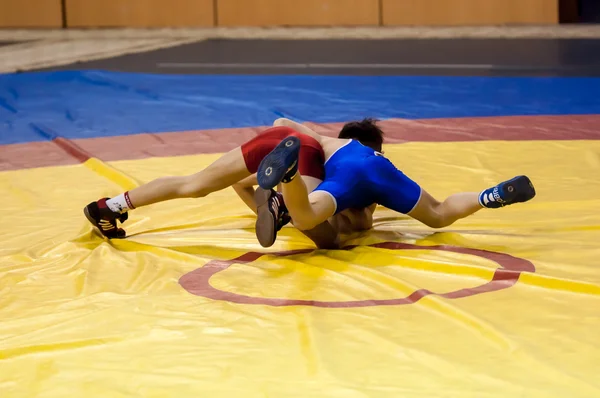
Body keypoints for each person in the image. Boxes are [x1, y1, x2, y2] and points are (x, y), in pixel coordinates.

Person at [83, 122, 376, 249]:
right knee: (329, 238)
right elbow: (359, 224)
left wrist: (270, 215)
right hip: (300, 155)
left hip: (279, 139)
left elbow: (241, 182)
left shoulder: (325, 149)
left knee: (193, 184)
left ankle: (109, 206)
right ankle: (280, 204)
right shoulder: (353, 171)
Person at [254, 118, 537, 240]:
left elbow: (282, 125)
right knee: (438, 214)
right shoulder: (374, 158)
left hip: (346, 173)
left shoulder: (326, 147)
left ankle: (286, 190)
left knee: (307, 217)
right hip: (378, 169)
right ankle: (487, 196)